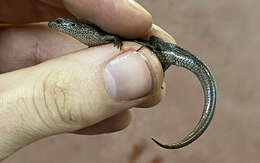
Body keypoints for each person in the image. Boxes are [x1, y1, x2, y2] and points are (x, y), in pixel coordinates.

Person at [0, 0, 175, 160]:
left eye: (61, 22)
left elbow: (106, 37)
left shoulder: (84, 30)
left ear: (71, 24)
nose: (57, 25)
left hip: (140, 46)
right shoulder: (79, 31)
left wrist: (116, 41)